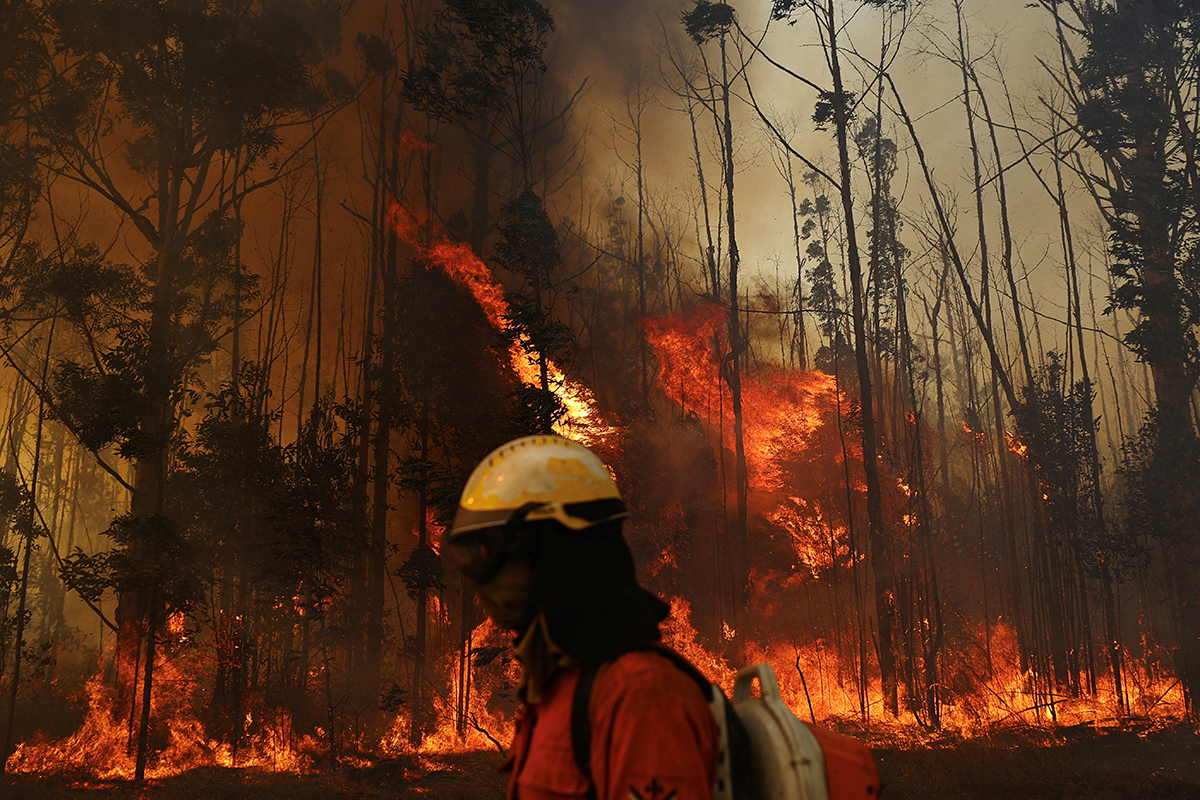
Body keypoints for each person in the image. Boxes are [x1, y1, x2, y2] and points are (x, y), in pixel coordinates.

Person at [448, 434, 718, 800]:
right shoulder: (555, 685)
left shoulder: (640, 695)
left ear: (551, 552)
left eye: (484, 556)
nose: (477, 580)